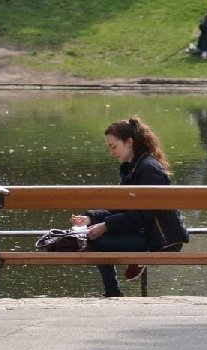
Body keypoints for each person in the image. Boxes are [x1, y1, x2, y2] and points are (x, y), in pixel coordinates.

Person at [69, 116, 189, 297]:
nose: (112, 152)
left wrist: (106, 225)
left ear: (129, 142)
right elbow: (122, 208)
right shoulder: (133, 168)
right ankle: (114, 289)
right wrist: (90, 218)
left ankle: (113, 292)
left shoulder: (148, 169)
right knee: (92, 234)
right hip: (147, 232)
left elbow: (142, 216)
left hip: (163, 240)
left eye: (114, 146)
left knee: (96, 240)